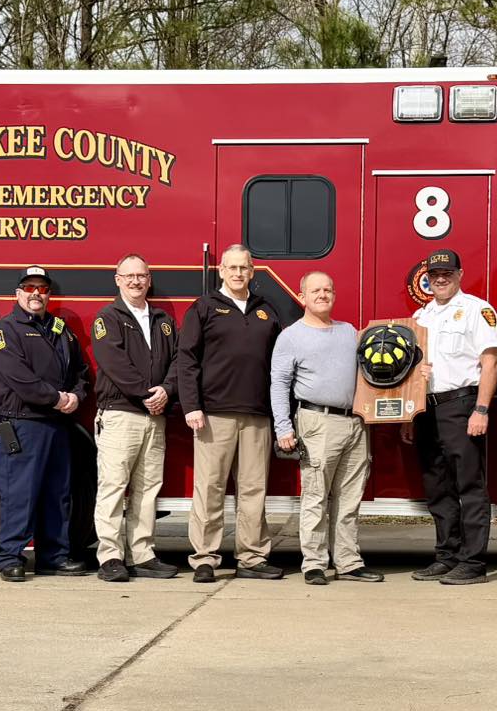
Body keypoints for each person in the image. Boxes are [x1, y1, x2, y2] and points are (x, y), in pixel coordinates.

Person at [178, 244, 283, 583]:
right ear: (221, 271)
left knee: (253, 489)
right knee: (210, 487)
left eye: (244, 267)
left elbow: (278, 366)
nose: (238, 273)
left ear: (252, 272)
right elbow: (186, 359)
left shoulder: (266, 310)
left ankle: (252, 557)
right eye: (232, 267)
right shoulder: (204, 307)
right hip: (213, 414)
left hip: (257, 414)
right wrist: (192, 406)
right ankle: (204, 559)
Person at [270, 271, 382, 586]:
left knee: (350, 498)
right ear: (302, 297)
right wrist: (283, 427)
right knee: (316, 495)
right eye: (316, 290)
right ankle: (314, 563)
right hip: (316, 421)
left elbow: (374, 369)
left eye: (328, 290)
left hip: (356, 423)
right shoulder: (291, 336)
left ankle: (348, 562)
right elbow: (279, 384)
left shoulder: (350, 332)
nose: (323, 295)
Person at [0, 266, 92, 582]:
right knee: (19, 493)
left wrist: (76, 396)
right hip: (22, 423)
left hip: (57, 424)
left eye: (43, 289)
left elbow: (81, 372)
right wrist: (57, 398)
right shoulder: (5, 330)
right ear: (17, 293)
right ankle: (10, 557)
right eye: (29, 287)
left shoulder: (61, 330)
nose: (36, 293)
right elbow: (20, 378)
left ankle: (53, 557)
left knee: (57, 493)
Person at [405, 249, 497, 586]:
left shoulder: (477, 310)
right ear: (427, 279)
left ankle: (473, 562)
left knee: (469, 486)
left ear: (459, 275)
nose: (441, 279)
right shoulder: (421, 316)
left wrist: (481, 409)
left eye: (447, 273)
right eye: (435, 274)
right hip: (427, 409)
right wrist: (409, 416)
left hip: (461, 405)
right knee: (438, 487)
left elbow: (491, 363)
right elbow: (411, 371)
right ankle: (446, 556)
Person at [91, 254, 179, 582]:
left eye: (141, 275)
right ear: (117, 280)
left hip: (155, 417)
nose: (135, 281)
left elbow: (178, 361)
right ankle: (110, 557)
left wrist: (167, 390)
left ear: (149, 279)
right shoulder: (108, 317)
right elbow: (114, 362)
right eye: (128, 276)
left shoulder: (163, 320)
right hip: (120, 415)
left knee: (148, 488)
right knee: (114, 486)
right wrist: (147, 395)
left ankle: (143, 554)